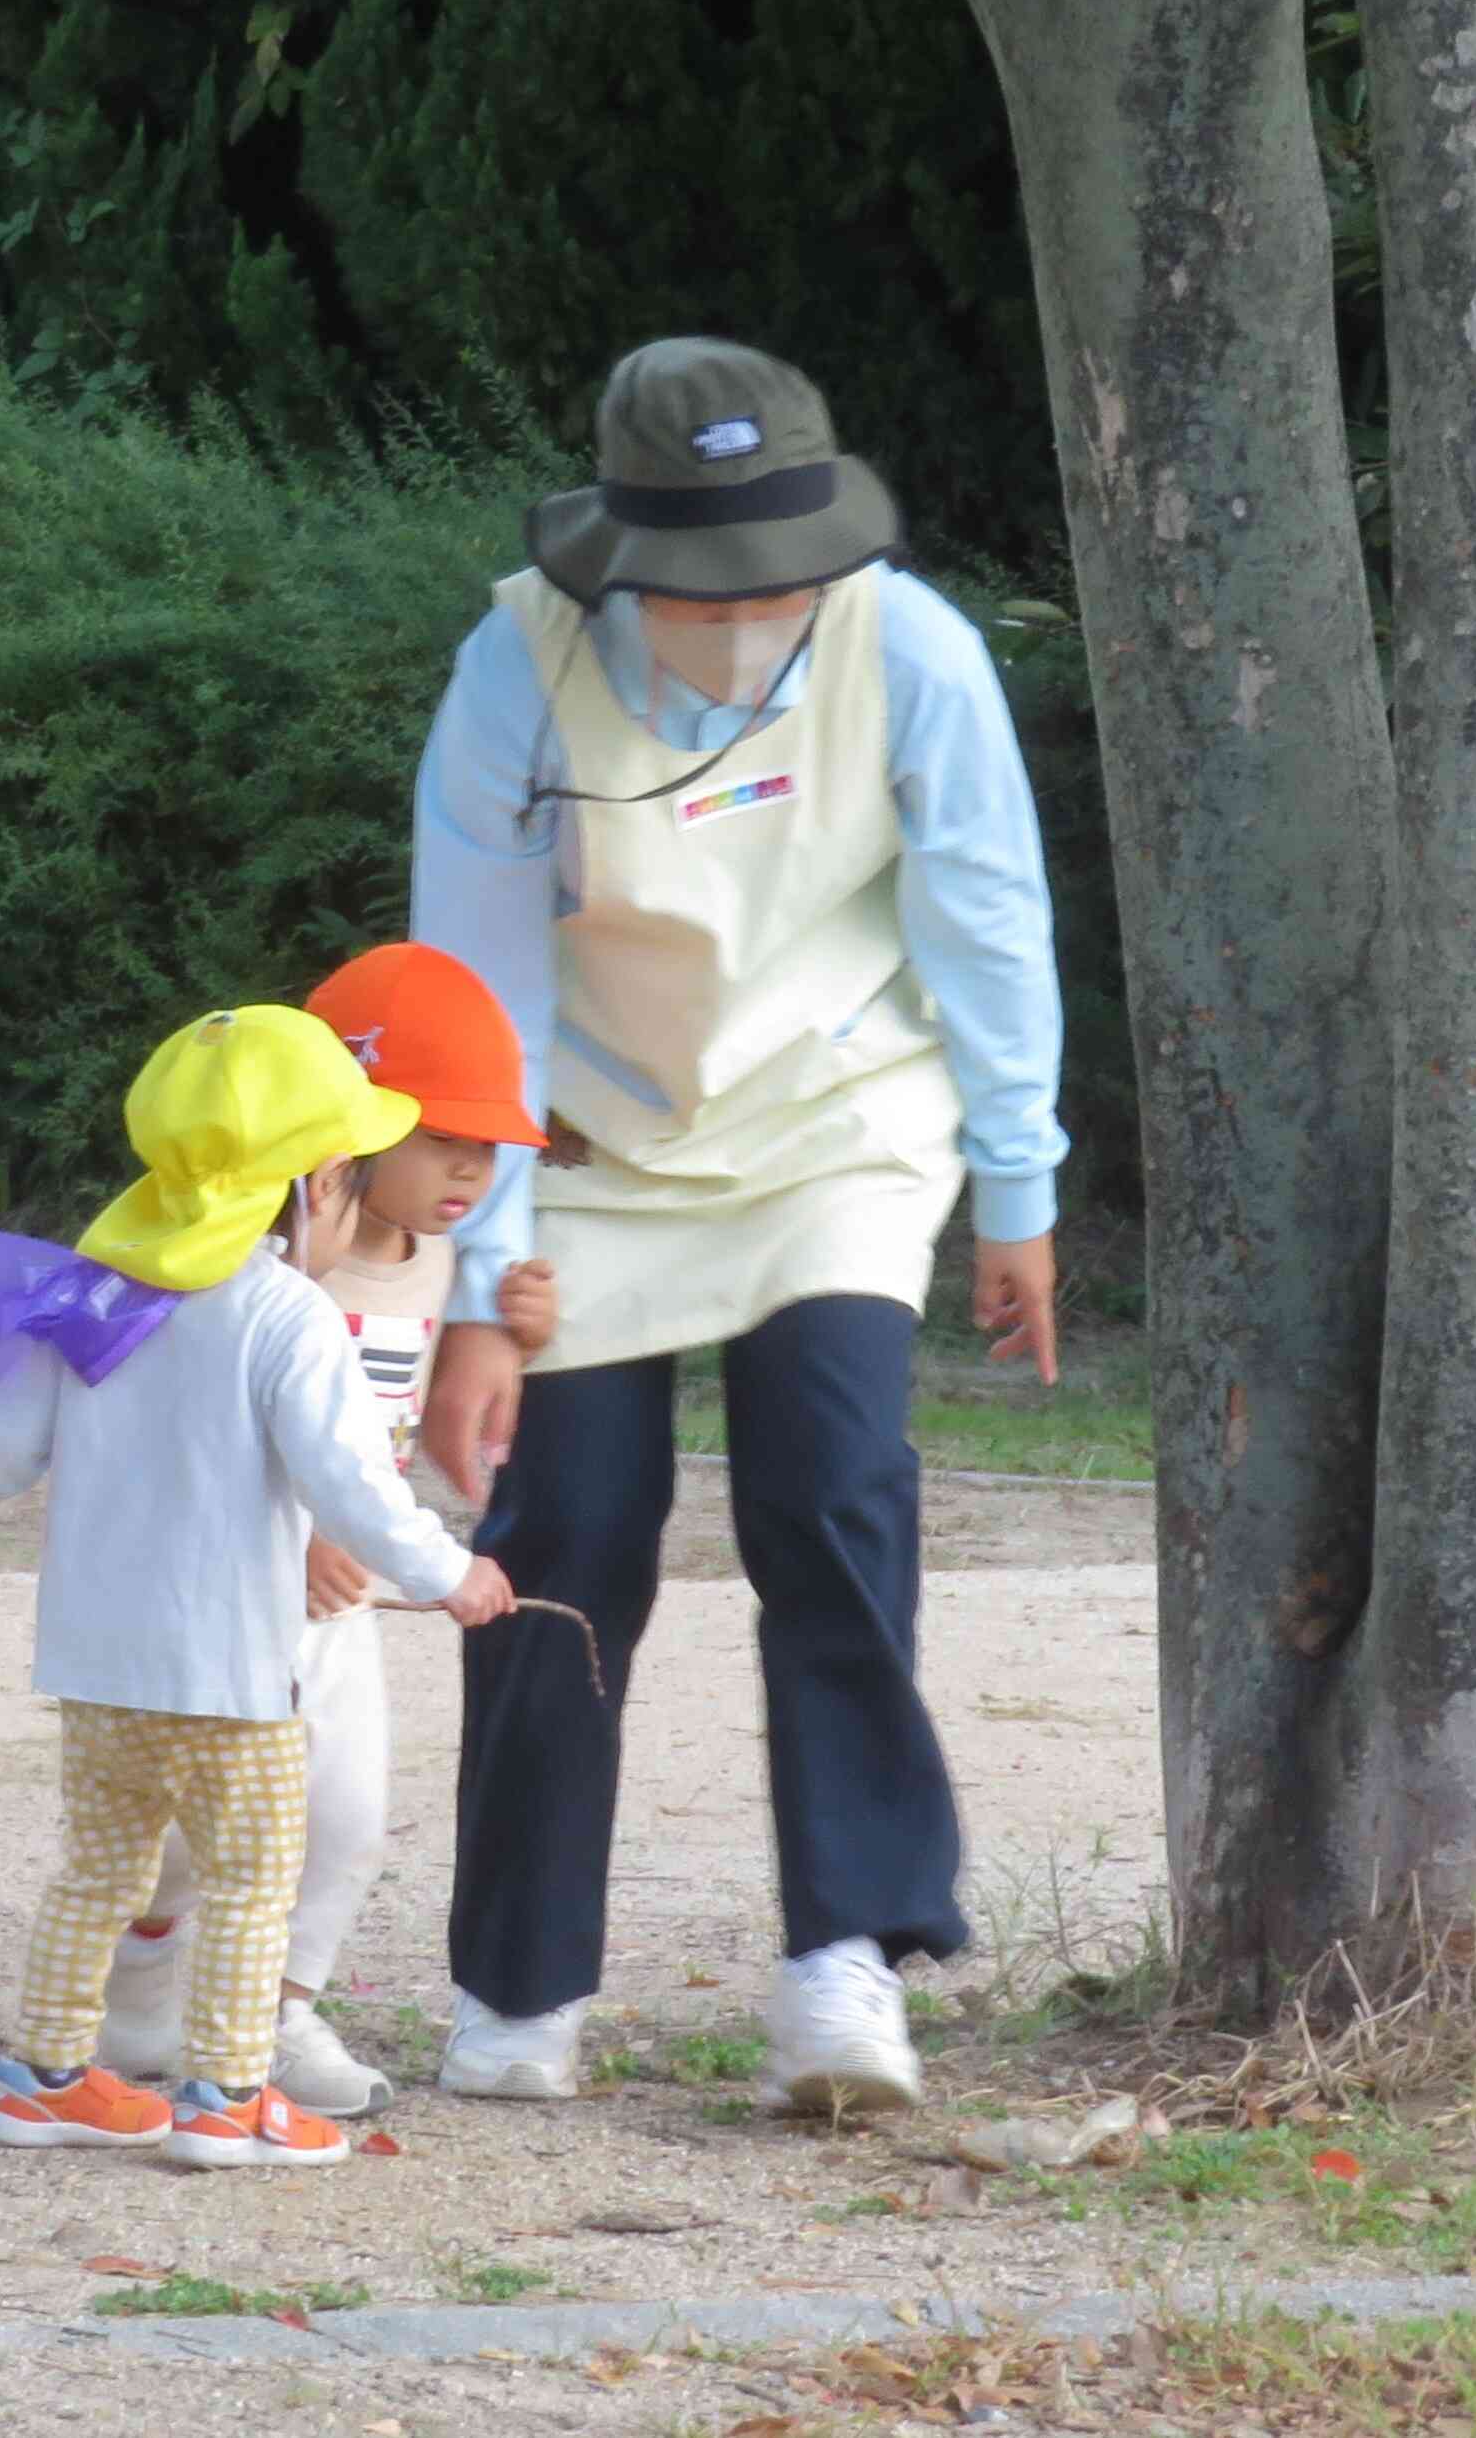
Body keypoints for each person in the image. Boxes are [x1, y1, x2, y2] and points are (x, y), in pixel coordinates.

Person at [411, 336, 1066, 2114]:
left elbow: (984, 916)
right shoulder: (515, 667)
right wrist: (482, 1285)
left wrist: (1018, 1188)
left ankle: (843, 1964)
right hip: (593, 1146)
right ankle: (516, 1987)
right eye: (704, 590)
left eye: (775, 581)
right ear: (621, 558)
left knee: (830, 1490)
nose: (743, 616)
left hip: (833, 1119)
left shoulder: (902, 645)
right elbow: (475, 986)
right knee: (568, 1530)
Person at [0, 1004, 517, 2170]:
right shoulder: (286, 1316)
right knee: (258, 1874)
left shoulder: (91, 1299)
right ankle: (227, 2096)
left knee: (98, 1870)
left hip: (96, 1671)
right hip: (232, 1678)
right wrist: (453, 1570)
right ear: (317, 1185)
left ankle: (47, 2074)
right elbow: (352, 1490)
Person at [94, 946, 558, 2116]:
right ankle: (146, 1983)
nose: (472, 1166)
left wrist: (515, 1335)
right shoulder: (248, 1257)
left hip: (339, 1608)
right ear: (337, 1137)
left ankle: (279, 2015)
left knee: (345, 1813)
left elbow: (402, 1412)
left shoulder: (441, 1256)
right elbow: (198, 1420)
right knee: (182, 1833)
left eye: (490, 1145)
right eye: (440, 1135)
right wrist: (287, 1530)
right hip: (222, 1595)